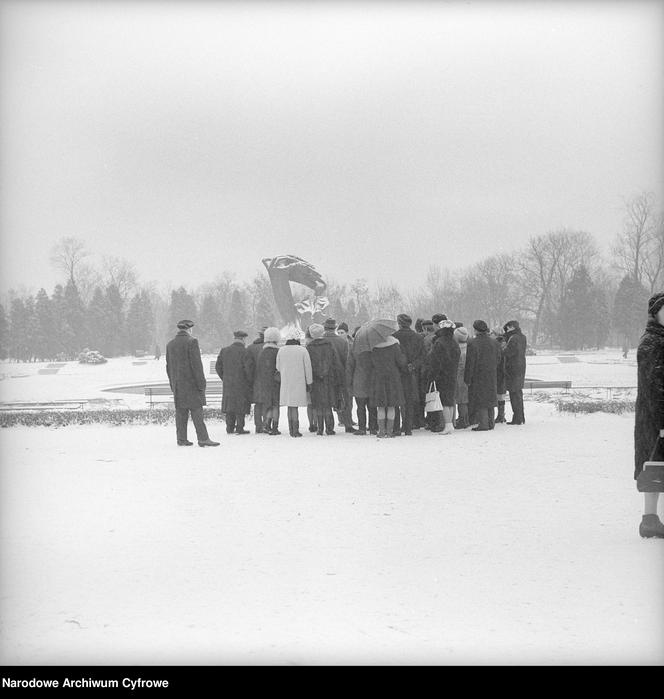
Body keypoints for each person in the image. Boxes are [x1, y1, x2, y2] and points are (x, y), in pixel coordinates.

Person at [634, 292, 664, 538]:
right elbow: (654, 387)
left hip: (655, 417)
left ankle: (650, 520)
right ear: (656, 313)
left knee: (656, 468)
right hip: (656, 419)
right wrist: (662, 422)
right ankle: (649, 520)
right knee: (654, 469)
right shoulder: (653, 343)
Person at [165, 320, 219, 447]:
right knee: (197, 412)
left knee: (181, 413)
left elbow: (168, 367)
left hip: (178, 386)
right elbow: (196, 366)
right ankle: (203, 438)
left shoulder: (170, 345)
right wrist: (202, 384)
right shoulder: (192, 342)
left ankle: (181, 439)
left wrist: (173, 384)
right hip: (191, 385)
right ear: (189, 329)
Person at [307, 323, 344, 435]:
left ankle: (320, 428)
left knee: (318, 404)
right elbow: (335, 362)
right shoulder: (329, 345)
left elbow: (309, 365)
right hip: (329, 379)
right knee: (328, 404)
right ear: (322, 332)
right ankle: (329, 428)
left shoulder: (309, 347)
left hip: (315, 379)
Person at [276, 329, 313, 437]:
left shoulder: (281, 350)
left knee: (289, 406)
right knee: (295, 406)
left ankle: (291, 428)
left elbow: (278, 367)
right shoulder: (302, 350)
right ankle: (296, 430)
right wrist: (309, 382)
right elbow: (308, 368)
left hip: (286, 382)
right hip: (299, 382)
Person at [464, 319, 501, 431]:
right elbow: (499, 358)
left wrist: (467, 378)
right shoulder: (494, 342)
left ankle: (483, 424)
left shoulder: (472, 343)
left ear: (475, 330)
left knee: (480, 399)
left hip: (478, 374)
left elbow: (470, 362)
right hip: (491, 373)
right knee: (490, 397)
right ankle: (491, 422)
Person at [369, 334, 408, 438]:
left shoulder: (374, 347)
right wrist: (403, 356)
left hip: (378, 378)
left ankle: (381, 431)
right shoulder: (394, 345)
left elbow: (371, 363)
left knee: (380, 407)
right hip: (393, 378)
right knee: (392, 406)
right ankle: (390, 431)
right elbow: (401, 362)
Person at [392, 313, 425, 435]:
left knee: (397, 400)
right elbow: (423, 356)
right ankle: (408, 427)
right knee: (409, 401)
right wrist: (413, 365)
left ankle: (396, 427)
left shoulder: (394, 337)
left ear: (399, 323)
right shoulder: (418, 337)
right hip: (412, 373)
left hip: (398, 372)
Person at [215, 330, 251, 435]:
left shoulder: (224, 351)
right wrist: (248, 380)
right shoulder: (245, 352)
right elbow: (249, 369)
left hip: (228, 383)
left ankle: (229, 427)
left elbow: (218, 367)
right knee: (240, 405)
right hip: (242, 383)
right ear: (243, 339)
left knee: (230, 405)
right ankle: (240, 427)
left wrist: (225, 377)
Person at [323, 317, 356, 433]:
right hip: (340, 375)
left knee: (327, 401)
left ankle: (329, 427)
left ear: (324, 327)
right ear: (335, 328)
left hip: (325, 376)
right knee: (344, 399)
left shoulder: (320, 341)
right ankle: (348, 424)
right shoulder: (342, 342)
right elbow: (346, 360)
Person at [428, 319, 460, 434]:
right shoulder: (454, 342)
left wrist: (432, 375)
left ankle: (447, 424)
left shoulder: (439, 342)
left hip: (442, 375)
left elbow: (436, 361)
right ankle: (450, 423)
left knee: (444, 400)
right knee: (450, 400)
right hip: (453, 373)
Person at [255, 327, 282, 436]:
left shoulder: (262, 352)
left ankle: (267, 424)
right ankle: (275, 427)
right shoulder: (278, 352)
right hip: (275, 382)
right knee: (276, 405)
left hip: (264, 382)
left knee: (269, 405)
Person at [346, 345, 378, 436]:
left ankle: (362, 428)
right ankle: (373, 428)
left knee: (360, 407)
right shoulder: (374, 348)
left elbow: (350, 367)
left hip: (358, 380)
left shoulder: (353, 348)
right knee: (372, 406)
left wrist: (349, 383)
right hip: (372, 379)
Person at [503, 319, 527, 425]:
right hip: (521, 366)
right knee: (518, 392)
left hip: (513, 368)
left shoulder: (513, 338)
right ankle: (521, 416)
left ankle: (516, 418)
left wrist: (502, 348)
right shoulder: (522, 337)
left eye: (507, 328)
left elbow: (508, 353)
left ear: (512, 327)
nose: (506, 330)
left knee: (514, 393)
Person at [244, 326, 267, 433]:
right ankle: (267, 424)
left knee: (258, 404)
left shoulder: (251, 348)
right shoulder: (272, 348)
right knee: (268, 403)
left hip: (255, 380)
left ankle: (258, 425)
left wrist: (250, 379)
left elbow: (248, 366)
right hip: (268, 379)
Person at [453, 325, 471, 429]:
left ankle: (462, 419)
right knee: (464, 399)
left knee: (461, 400)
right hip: (467, 376)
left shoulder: (457, 349)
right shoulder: (469, 348)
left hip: (459, 376)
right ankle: (465, 418)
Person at [494, 331, 507, 423]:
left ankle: (500, 415)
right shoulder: (506, 351)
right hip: (504, 375)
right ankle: (501, 415)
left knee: (500, 396)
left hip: (499, 375)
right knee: (501, 396)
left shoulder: (499, 351)